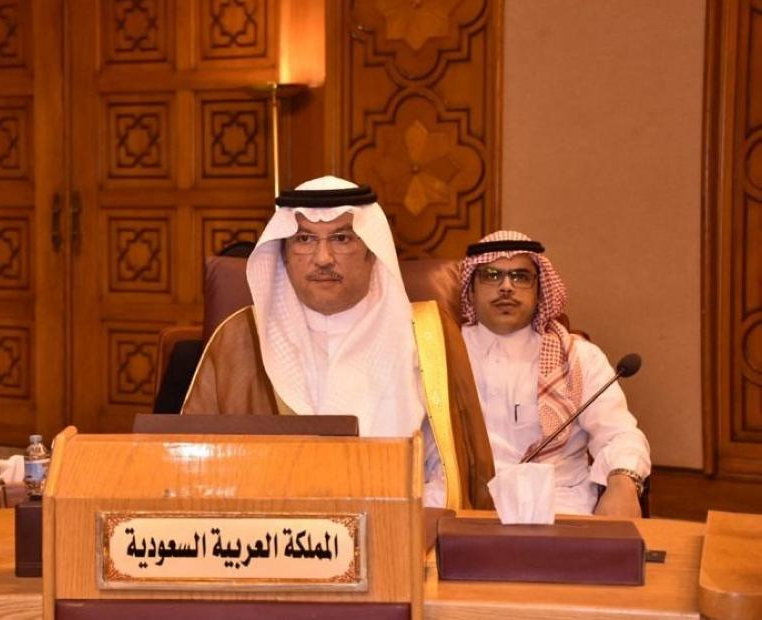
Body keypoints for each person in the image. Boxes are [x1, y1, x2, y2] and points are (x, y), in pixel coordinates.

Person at [182, 175, 495, 509]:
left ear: (372, 251)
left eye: (342, 238)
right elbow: (191, 470)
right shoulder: (238, 338)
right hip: (267, 533)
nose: (323, 258)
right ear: (284, 255)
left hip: (398, 526)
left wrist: (391, 520)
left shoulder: (427, 336)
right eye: (304, 239)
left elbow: (450, 475)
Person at [457, 230, 651, 517]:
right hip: (461, 501)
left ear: (539, 291)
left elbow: (619, 433)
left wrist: (623, 481)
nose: (506, 287)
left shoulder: (579, 357)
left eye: (521, 276)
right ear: (471, 290)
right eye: (491, 275)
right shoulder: (440, 354)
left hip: (558, 502)